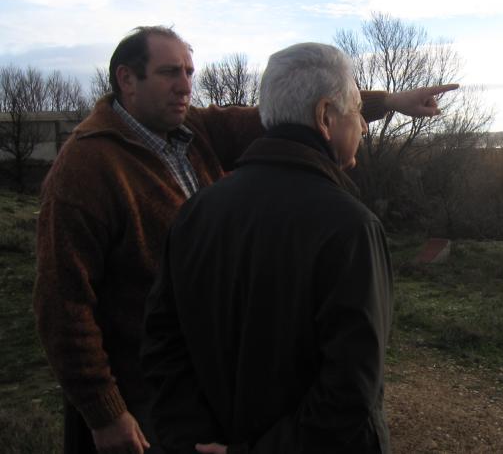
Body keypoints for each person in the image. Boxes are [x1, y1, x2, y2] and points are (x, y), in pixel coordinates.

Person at [33, 26, 454, 454]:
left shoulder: (191, 130)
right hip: (143, 388)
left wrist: (389, 103)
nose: (185, 85)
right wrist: (104, 410)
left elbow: (287, 114)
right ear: (126, 79)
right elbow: (61, 300)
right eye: (169, 72)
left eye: (189, 71)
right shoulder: (85, 166)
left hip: (206, 370)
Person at [142, 42, 392, 453]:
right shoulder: (350, 227)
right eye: (358, 111)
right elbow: (350, 389)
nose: (363, 126)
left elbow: (162, 345)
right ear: (325, 117)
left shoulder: (196, 212)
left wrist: (190, 440)